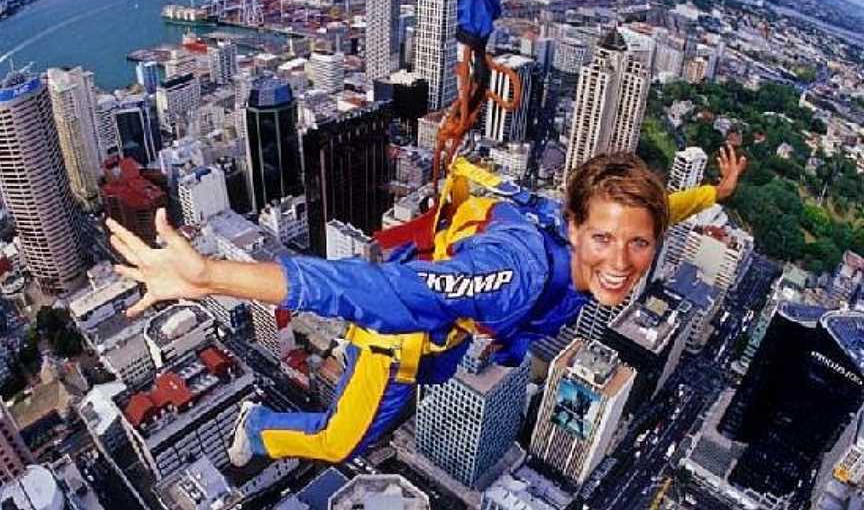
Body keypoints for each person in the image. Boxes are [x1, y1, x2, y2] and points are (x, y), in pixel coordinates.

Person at [108, 145, 746, 465]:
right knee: (338, 443)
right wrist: (212, 276)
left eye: (638, 245)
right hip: (399, 341)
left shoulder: (574, 220)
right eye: (604, 241)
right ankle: (256, 428)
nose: (621, 262)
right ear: (578, 228)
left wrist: (713, 192)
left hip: (441, 341)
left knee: (393, 410)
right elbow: (379, 293)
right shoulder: (515, 273)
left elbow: (658, 213)